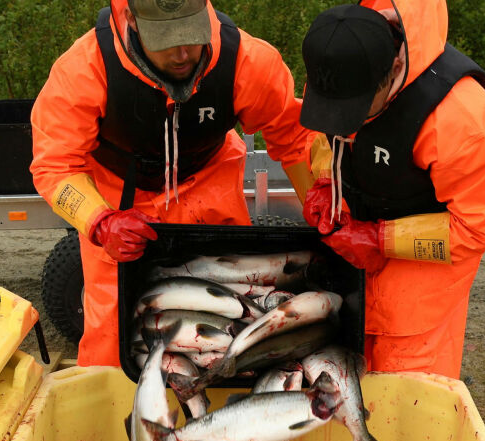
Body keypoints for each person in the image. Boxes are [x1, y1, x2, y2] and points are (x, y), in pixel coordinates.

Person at [30, 0, 314, 366]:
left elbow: (292, 136)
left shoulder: (246, 60)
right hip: (119, 200)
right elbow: (54, 166)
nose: (183, 54)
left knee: (237, 310)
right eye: (166, 40)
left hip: (210, 182)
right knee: (112, 334)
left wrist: (318, 198)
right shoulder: (84, 69)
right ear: (132, 20)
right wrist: (99, 221)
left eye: (192, 36)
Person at [299, 0, 485, 379]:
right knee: (332, 382)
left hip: (423, 289)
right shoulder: (340, 53)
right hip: (350, 260)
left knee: (405, 402)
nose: (345, 125)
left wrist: (378, 239)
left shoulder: (463, 119)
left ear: (395, 69)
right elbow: (325, 138)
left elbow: (479, 228)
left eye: (355, 112)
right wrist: (326, 183)